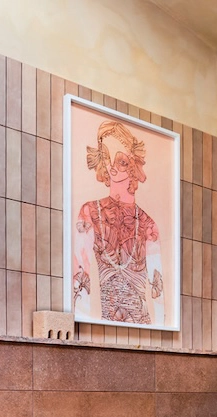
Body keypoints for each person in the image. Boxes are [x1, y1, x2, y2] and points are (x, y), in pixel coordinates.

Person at [72, 119, 164, 326]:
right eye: (107, 156)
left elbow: (157, 289)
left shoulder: (148, 224)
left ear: (133, 165)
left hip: (144, 325)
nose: (112, 166)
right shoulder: (89, 213)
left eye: (120, 160)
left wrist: (161, 328)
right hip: (105, 324)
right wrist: (81, 326)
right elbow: (80, 277)